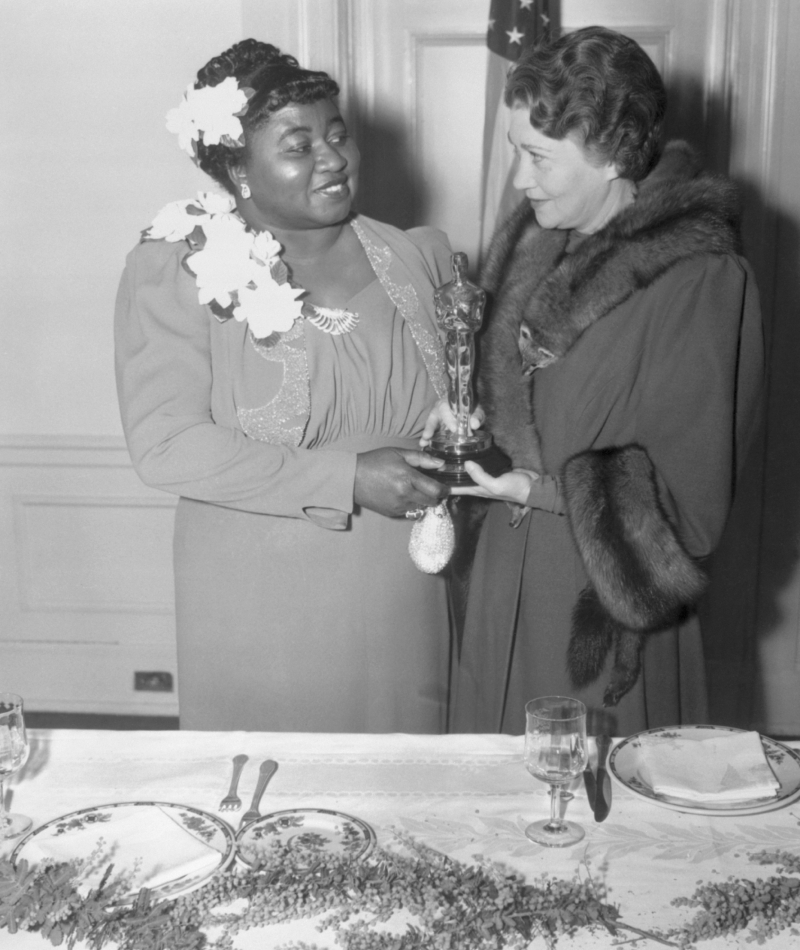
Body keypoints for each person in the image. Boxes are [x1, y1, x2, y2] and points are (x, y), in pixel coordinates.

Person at [115, 39, 454, 731]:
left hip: (400, 584)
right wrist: (347, 479)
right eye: (299, 145)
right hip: (258, 595)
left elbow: (460, 397)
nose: (333, 158)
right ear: (238, 167)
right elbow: (166, 447)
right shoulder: (175, 270)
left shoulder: (419, 256)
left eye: (337, 135)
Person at [440, 26, 764, 736]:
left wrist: (542, 492)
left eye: (538, 157)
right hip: (501, 582)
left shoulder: (700, 279)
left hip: (597, 605)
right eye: (512, 152)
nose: (519, 181)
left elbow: (693, 512)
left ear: (615, 154)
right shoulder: (533, 240)